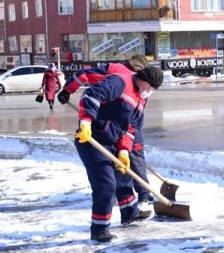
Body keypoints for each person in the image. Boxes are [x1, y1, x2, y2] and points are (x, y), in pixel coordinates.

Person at [74, 65, 164, 243]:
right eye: (151, 87)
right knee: (106, 186)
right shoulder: (120, 82)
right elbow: (91, 95)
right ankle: (99, 229)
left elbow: (132, 128)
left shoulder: (141, 98)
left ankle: (130, 212)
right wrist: (86, 122)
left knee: (123, 178)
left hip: (113, 142)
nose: (151, 91)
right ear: (144, 80)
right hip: (91, 140)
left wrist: (124, 150)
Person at [58, 55, 154, 203]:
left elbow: (83, 75)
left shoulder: (122, 73)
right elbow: (90, 86)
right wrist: (86, 119)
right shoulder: (128, 78)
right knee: (129, 158)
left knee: (123, 158)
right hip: (113, 123)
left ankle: (133, 197)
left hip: (116, 124)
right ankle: (139, 194)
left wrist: (67, 90)